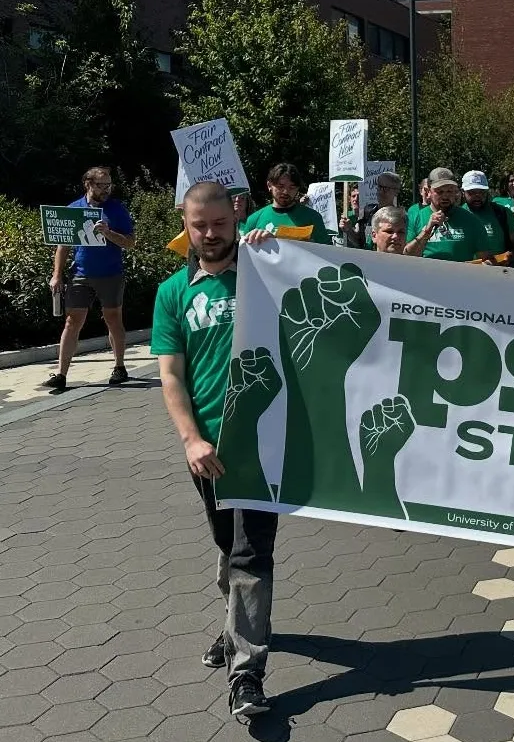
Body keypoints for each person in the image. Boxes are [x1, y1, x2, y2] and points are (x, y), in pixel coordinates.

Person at [152, 181, 279, 718]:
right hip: (208, 450)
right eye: (198, 225)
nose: (209, 234)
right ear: (185, 224)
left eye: (219, 223)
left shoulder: (265, 270)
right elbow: (171, 375)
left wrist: (279, 251)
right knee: (227, 546)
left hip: (265, 444)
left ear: (236, 216)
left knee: (251, 551)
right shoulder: (172, 293)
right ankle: (234, 628)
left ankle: (247, 672)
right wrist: (191, 439)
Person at [44, 166, 136, 391]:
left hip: (110, 273)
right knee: (71, 321)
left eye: (109, 185)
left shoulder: (116, 209)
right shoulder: (74, 209)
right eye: (101, 185)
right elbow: (63, 245)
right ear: (88, 184)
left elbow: (131, 242)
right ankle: (61, 374)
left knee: (113, 319)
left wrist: (109, 233)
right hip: (81, 273)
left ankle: (119, 367)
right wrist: (57, 275)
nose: (106, 190)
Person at [405, 167, 488, 261]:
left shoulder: (472, 220)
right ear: (428, 192)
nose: (445, 196)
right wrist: (426, 232)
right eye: (439, 192)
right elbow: (406, 256)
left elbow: (484, 260)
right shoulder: (415, 217)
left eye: (449, 191)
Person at [242, 163, 330, 244]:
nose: (285, 191)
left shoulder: (313, 217)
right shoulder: (253, 220)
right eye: (280, 186)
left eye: (292, 187)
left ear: (298, 188)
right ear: (269, 185)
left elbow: (329, 254)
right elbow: (244, 255)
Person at [462, 170, 514, 264]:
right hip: (462, 272)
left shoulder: (503, 213)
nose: (477, 196)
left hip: (497, 272)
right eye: (472, 192)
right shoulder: (456, 214)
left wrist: (509, 256)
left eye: (482, 192)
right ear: (463, 192)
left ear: (487, 192)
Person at [340, 171, 403, 249]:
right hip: (367, 259)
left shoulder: (401, 217)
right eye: (379, 187)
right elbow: (359, 242)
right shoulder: (367, 211)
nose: (381, 191)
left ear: (396, 192)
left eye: (386, 188)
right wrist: (349, 229)